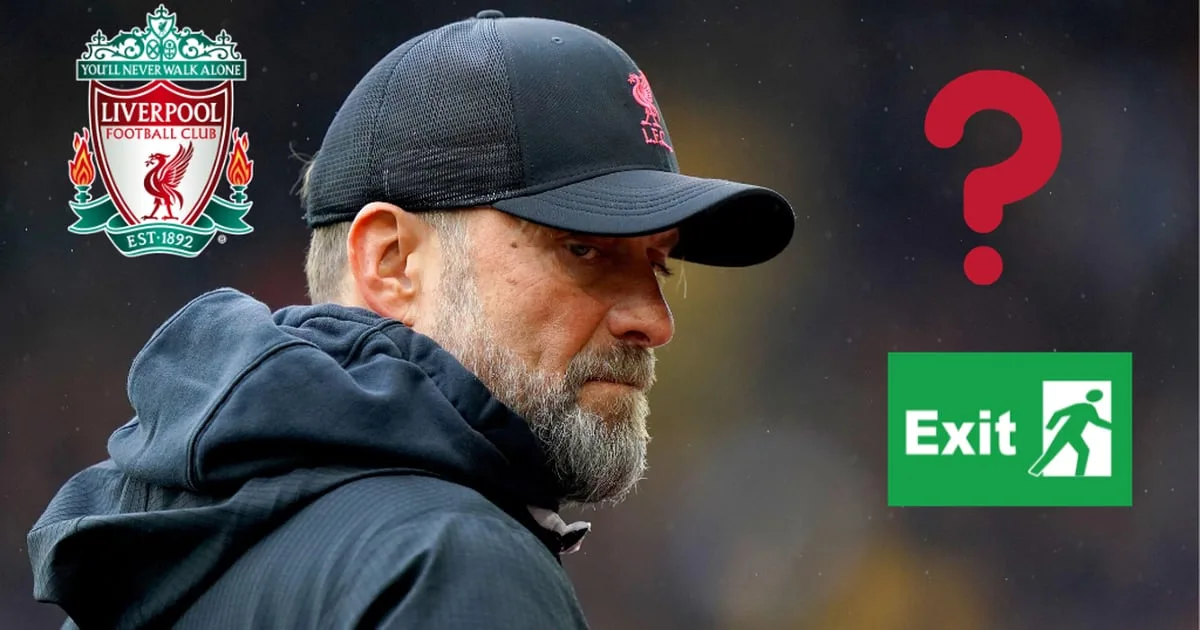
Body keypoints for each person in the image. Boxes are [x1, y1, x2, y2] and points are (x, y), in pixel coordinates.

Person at [28, 10, 795, 629]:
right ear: (392, 262)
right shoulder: (453, 561)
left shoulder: (157, 561)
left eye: (658, 264)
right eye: (583, 249)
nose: (653, 320)